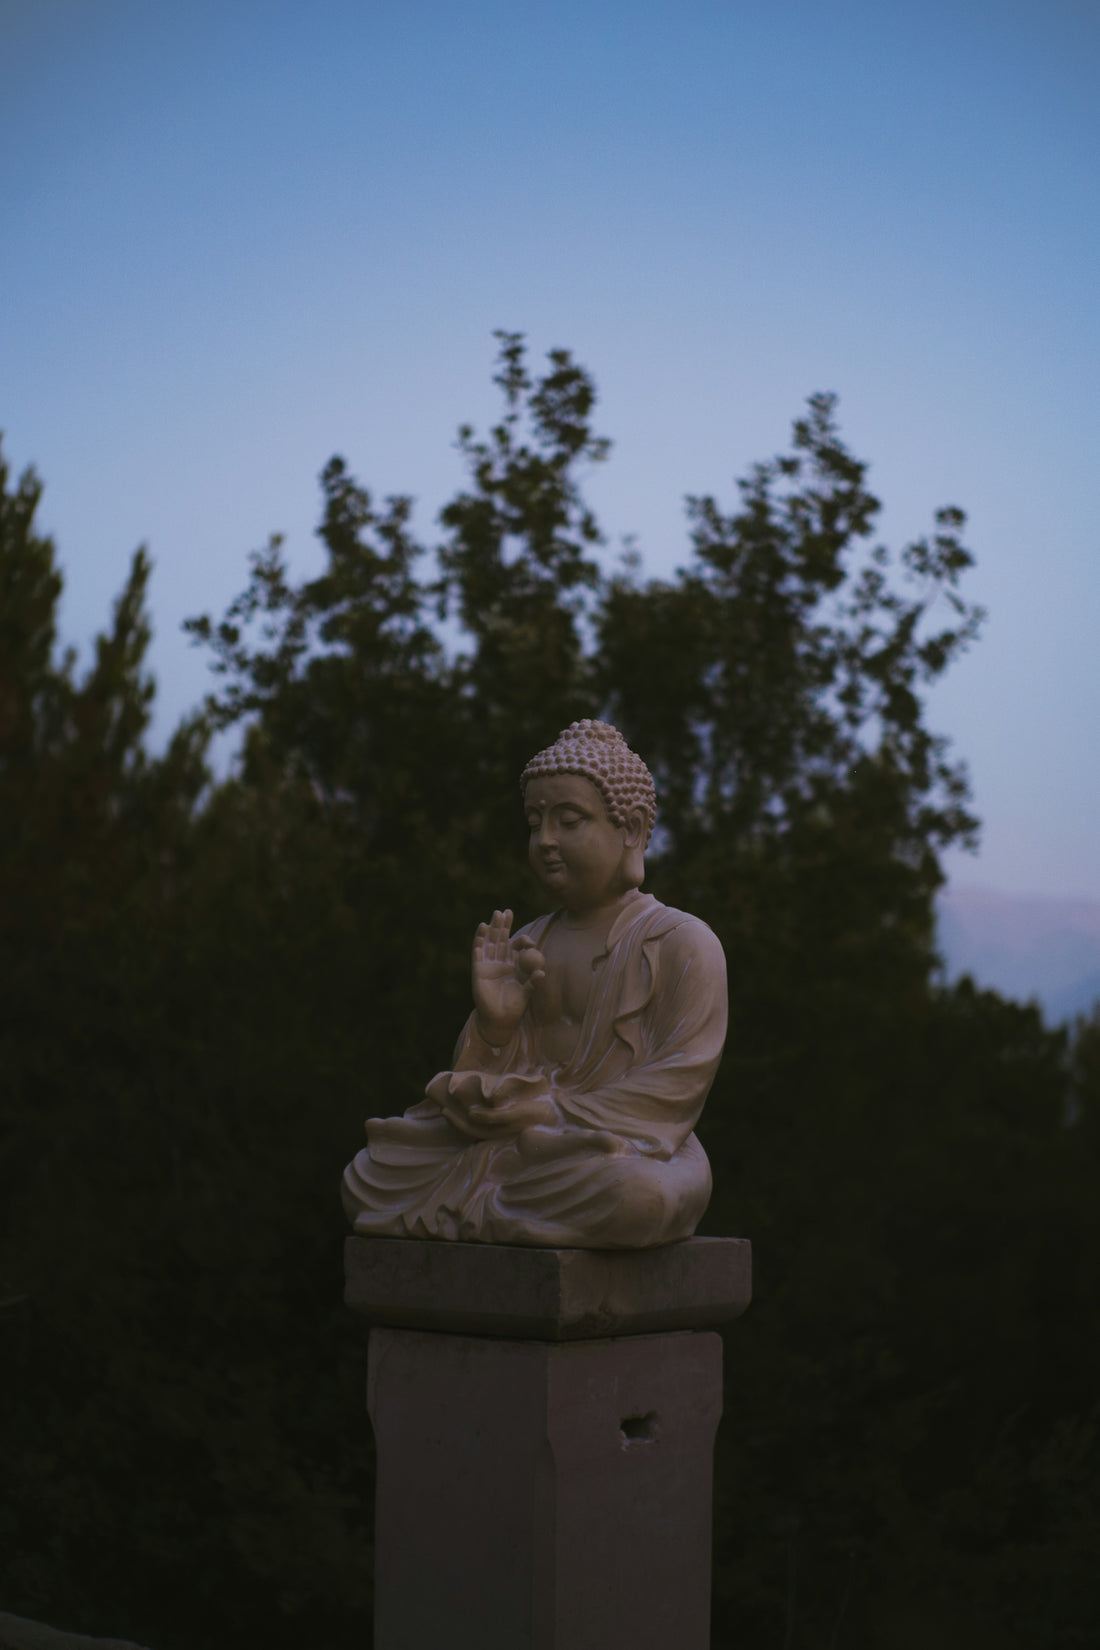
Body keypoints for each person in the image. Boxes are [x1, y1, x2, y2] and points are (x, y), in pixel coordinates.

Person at [341, 719, 727, 1247]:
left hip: (622, 1149)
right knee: (371, 1171)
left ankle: (491, 1210)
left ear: (631, 830)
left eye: (569, 821)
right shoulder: (527, 943)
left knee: (641, 1196)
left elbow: (677, 1086)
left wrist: (552, 1111)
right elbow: (480, 1080)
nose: (545, 840)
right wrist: (494, 1027)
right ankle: (502, 1210)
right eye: (534, 821)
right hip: (517, 1146)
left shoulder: (681, 943)